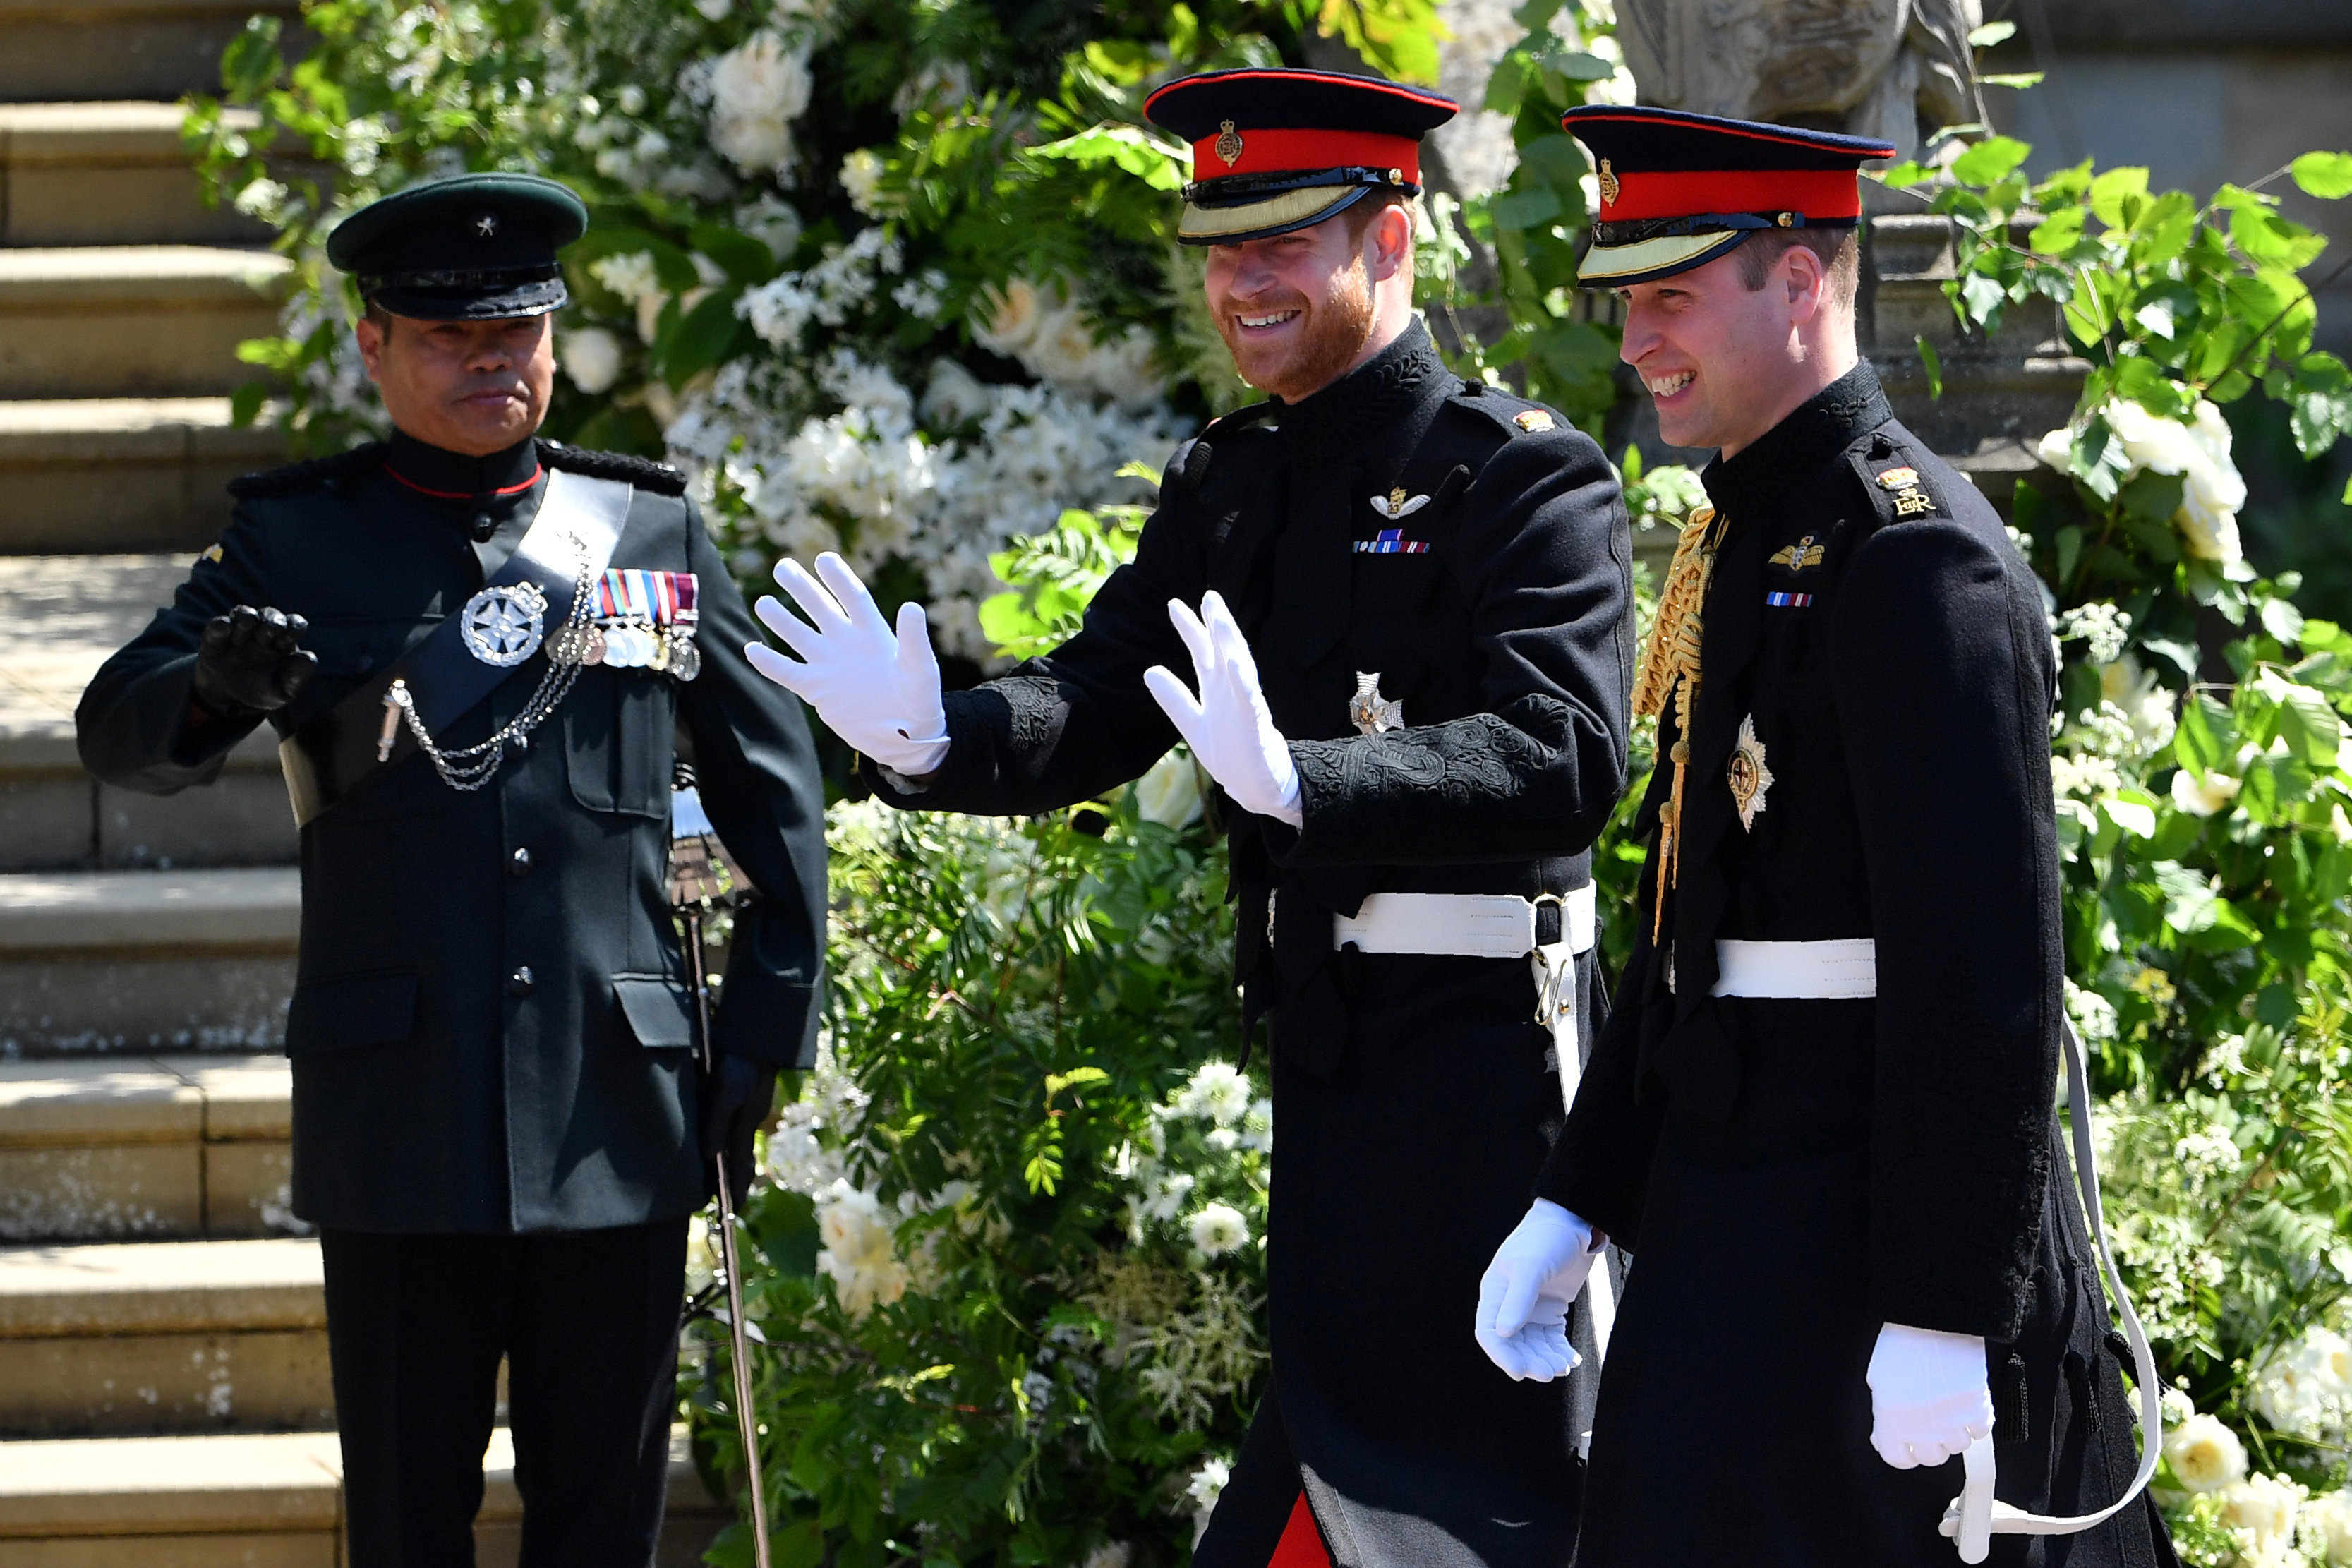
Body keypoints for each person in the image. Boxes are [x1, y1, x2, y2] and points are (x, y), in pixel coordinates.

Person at [744, 67, 1634, 1568]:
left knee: (1483, 1508)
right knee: (1348, 1495)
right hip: (1332, 1064)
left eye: (1284, 244)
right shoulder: (1234, 481)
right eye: (1222, 250)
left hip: (1488, 1087)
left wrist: (1309, 784)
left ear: (1391, 241)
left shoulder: (1515, 472)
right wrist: (929, 734)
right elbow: (1099, 694)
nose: (1244, 284)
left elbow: (1565, 749)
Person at [76, 171, 829, 1568]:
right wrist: (209, 684)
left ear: (553, 335)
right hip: (400, 1113)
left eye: (517, 332)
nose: (492, 358)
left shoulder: (647, 527)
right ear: (373, 344)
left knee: (601, 1521)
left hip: (618, 1106)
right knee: (409, 1524)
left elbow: (769, 795)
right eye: (448, 337)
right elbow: (118, 730)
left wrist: (762, 1028)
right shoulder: (298, 535)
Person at [1471, 105, 2178, 1566]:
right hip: (1729, 1213)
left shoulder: (1909, 554)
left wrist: (1937, 1308)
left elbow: (1983, 977)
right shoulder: (1747, 536)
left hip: (1867, 1230)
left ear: (1796, 284)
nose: (1633, 343)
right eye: (1626, 301)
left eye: (1670, 295)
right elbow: (1687, 925)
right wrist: (1578, 1194)